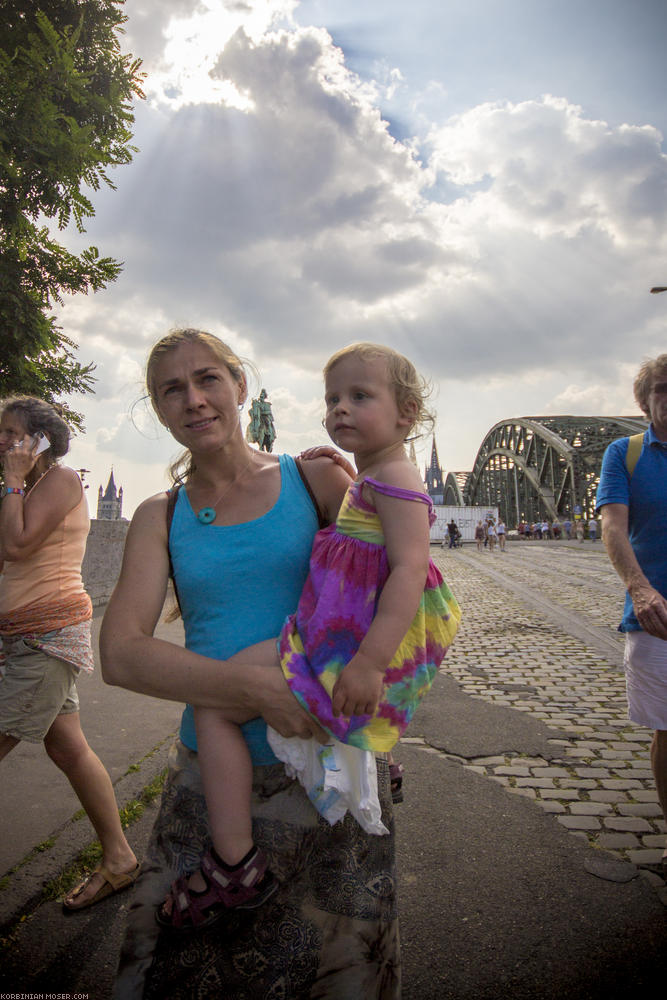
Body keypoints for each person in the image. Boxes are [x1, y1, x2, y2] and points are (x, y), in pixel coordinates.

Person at [100, 329, 402, 997]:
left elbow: (386, 595)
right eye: (171, 389)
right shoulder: (161, 512)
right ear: (157, 409)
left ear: (241, 387)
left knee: (339, 975)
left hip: (325, 771)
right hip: (208, 783)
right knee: (174, 975)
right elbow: (119, 655)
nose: (194, 399)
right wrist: (257, 688)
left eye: (208, 378)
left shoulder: (316, 478)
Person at [153, 340, 460, 930]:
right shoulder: (372, 473)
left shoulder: (395, 479)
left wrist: (370, 664)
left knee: (216, 701)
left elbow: (408, 573)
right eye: (333, 398)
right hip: (330, 634)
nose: (340, 408)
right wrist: (348, 468)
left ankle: (233, 863)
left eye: (359, 397)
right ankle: (367, 747)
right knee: (225, 691)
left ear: (408, 413)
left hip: (337, 644)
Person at [0, 396, 138, 911]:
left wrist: (13, 481)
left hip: (46, 639)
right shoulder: (23, 490)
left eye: (10, 433)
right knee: (69, 750)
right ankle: (120, 858)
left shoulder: (59, 481)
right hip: (22, 639)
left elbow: (16, 547)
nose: (2, 442)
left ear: (39, 440)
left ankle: (121, 859)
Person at [596, 354, 667, 877]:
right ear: (645, 403)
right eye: (663, 389)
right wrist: (640, 590)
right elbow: (613, 527)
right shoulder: (627, 453)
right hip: (656, 615)